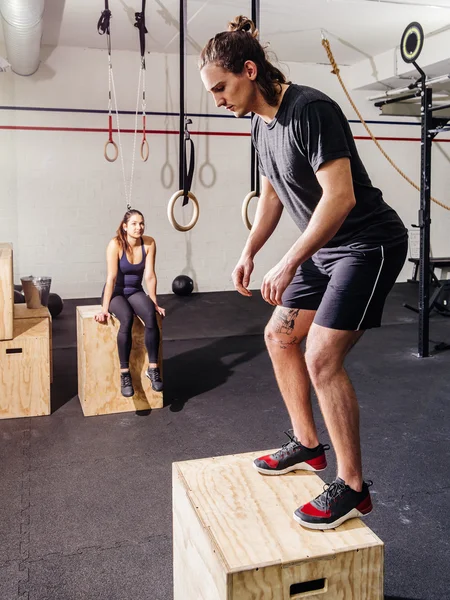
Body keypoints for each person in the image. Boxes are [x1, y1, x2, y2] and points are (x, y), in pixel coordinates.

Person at [199, 16, 408, 530]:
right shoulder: (260, 123)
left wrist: (288, 259)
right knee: (279, 337)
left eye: (221, 88)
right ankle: (308, 445)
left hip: (367, 243)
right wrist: (250, 251)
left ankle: (354, 487)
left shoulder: (310, 109)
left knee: (321, 357)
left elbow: (340, 197)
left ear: (250, 70)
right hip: (323, 249)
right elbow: (272, 194)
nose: (217, 99)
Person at [95, 209, 165, 397]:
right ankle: (124, 373)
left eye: (141, 223)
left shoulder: (149, 243)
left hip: (135, 291)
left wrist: (154, 302)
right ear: (125, 227)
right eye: (134, 224)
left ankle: (152, 368)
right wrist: (104, 308)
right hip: (116, 293)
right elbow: (111, 278)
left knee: (151, 314)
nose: (139, 227)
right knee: (126, 318)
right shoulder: (115, 244)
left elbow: (149, 276)